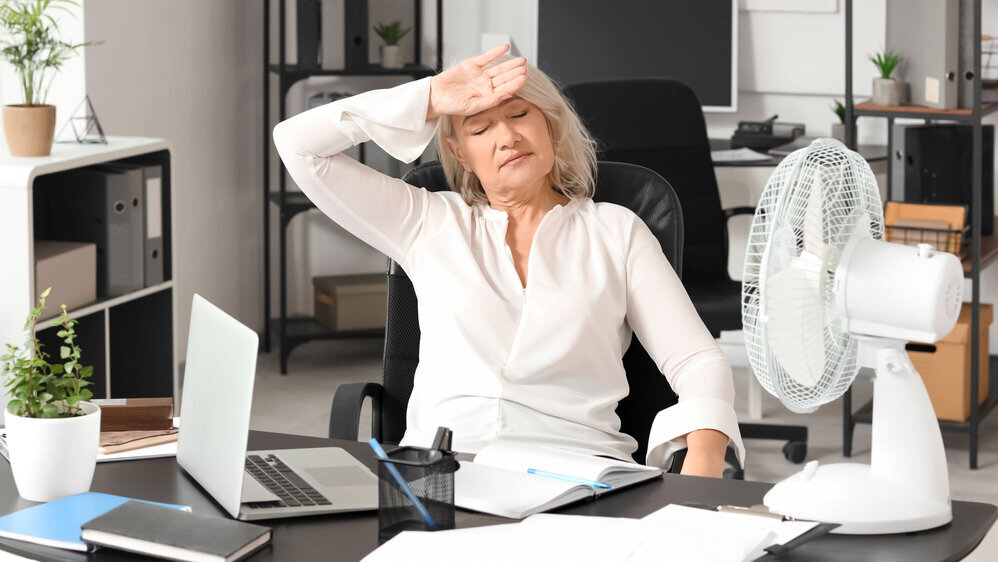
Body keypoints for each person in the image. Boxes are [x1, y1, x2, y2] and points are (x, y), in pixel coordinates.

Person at [273, 45, 744, 478]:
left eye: (520, 114)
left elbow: (697, 360)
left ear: (549, 125)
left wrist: (703, 459)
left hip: (579, 473)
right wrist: (429, 96)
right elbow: (297, 145)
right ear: (459, 152)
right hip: (443, 473)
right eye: (480, 129)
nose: (507, 137)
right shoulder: (427, 220)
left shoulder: (616, 230)